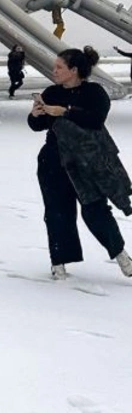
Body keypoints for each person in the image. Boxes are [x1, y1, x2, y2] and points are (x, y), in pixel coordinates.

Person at [28, 46, 132, 280]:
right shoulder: (51, 92)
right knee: (57, 212)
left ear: (74, 70)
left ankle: (120, 254)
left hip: (86, 161)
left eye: (59, 67)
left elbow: (96, 120)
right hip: (54, 159)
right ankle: (59, 262)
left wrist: (65, 111)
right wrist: (36, 114)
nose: (54, 71)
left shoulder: (94, 92)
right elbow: (38, 125)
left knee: (94, 209)